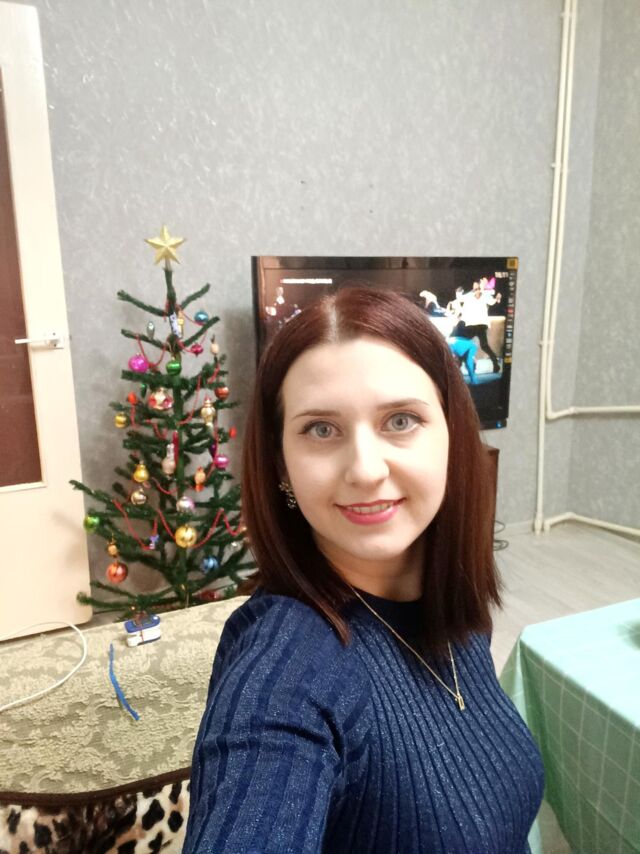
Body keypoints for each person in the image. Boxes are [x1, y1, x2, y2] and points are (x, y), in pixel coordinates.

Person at [183, 288, 544, 853]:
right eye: (321, 429)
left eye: (400, 419)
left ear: (451, 434)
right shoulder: (286, 667)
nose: (366, 470)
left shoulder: (448, 599)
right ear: (281, 464)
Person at [456, 279, 503, 373]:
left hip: (481, 325)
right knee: (466, 344)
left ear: (480, 288)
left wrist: (498, 298)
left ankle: (495, 364)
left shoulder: (485, 296)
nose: (476, 291)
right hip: (471, 326)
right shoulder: (469, 296)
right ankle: (459, 364)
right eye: (475, 289)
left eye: (478, 288)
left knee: (484, 346)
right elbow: (460, 298)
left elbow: (493, 302)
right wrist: (458, 292)